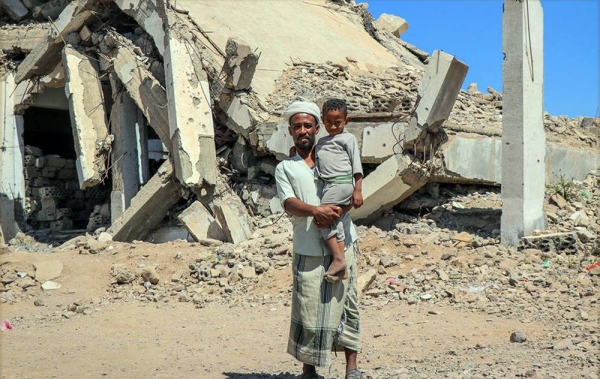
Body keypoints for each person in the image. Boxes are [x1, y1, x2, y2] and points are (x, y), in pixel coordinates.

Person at [275, 101, 363, 379]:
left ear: (317, 127)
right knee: (308, 308)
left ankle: (352, 368)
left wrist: (336, 211)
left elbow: (352, 183)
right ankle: (309, 370)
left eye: (307, 125)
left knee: (348, 304)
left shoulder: (332, 151)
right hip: (308, 247)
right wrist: (316, 211)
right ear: (290, 131)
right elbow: (288, 202)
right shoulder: (285, 167)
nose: (303, 130)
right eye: (297, 126)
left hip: (344, 241)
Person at [315, 99, 363, 282]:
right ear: (322, 120)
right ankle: (341, 266)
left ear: (346, 120)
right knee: (335, 219)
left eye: (338, 122)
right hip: (330, 186)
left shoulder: (348, 139)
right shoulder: (322, 142)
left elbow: (357, 166)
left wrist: (357, 190)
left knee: (321, 217)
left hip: (341, 183)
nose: (333, 126)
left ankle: (337, 258)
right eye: (329, 122)